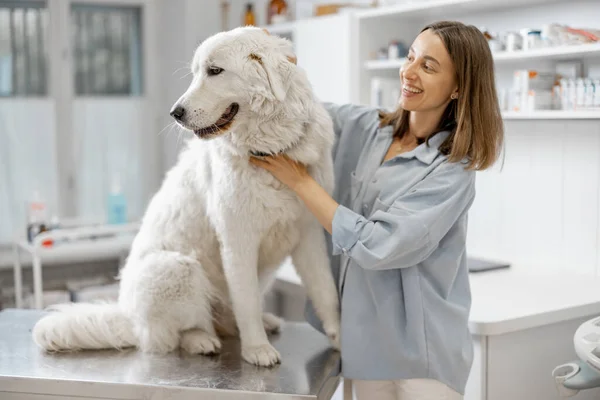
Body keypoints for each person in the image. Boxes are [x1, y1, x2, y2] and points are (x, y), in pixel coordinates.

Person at [251, 20, 504, 400]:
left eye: (428, 67)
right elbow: (301, 112)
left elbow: (380, 244)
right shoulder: (366, 127)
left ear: (458, 88)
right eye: (411, 57)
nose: (409, 72)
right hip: (364, 346)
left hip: (422, 357)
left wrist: (301, 182)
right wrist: (276, 64)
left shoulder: (452, 170)